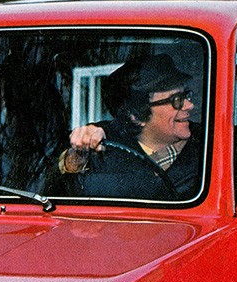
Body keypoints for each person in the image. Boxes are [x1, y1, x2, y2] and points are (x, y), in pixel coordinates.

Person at [59, 53, 203, 200]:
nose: (190, 106)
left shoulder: (209, 146)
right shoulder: (104, 144)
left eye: (186, 96)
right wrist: (77, 152)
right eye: (177, 100)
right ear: (137, 115)